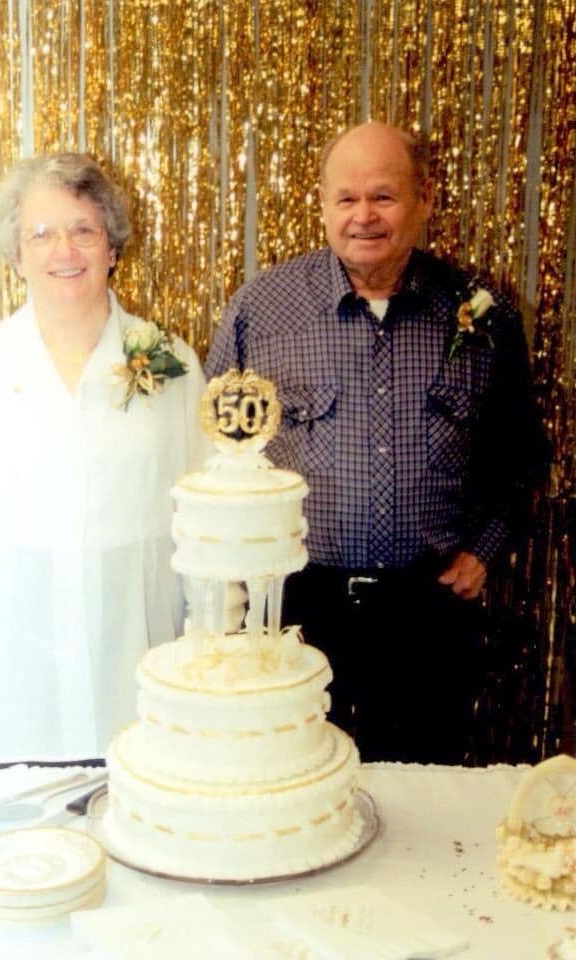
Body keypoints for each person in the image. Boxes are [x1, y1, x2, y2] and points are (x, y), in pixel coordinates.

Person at [205, 121, 546, 765]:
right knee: (293, 780)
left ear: (424, 201)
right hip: (298, 609)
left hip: (428, 612)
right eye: (347, 198)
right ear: (325, 205)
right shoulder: (264, 308)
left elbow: (521, 456)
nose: (364, 216)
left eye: (384, 197)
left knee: (419, 797)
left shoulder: (481, 312)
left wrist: (484, 550)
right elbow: (218, 452)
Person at [0, 153, 210, 769]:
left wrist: (212, 637)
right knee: (21, 856)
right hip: (16, 659)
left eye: (83, 229)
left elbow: (202, 509)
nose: (63, 250)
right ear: (16, 256)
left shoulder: (171, 364)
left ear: (112, 247)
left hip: (138, 652)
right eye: (40, 234)